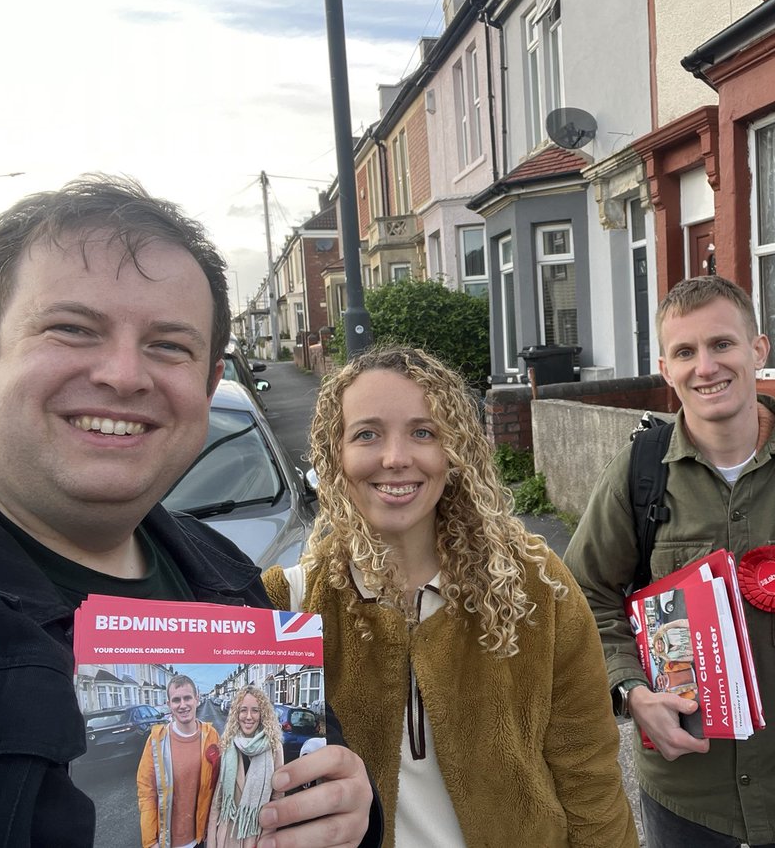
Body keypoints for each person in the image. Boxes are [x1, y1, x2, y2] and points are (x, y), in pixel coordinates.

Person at [0, 175, 380, 847]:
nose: (124, 375)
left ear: (211, 384)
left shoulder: (226, 572)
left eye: (168, 345)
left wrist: (350, 814)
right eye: (72, 329)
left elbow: (314, 786)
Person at [566, 275, 775, 848]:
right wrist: (630, 690)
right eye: (685, 352)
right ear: (666, 367)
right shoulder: (638, 473)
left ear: (758, 349)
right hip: (686, 797)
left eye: (721, 344)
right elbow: (582, 597)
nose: (706, 367)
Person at [262, 345, 638, 848]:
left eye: (424, 432)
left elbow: (586, 766)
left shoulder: (534, 585)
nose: (396, 459)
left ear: (454, 451)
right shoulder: (287, 604)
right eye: (367, 434)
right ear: (336, 454)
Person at [138, 675, 222, 848]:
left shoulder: (211, 735)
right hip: (168, 842)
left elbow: (218, 785)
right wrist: (150, 842)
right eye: (176, 700)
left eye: (187, 698)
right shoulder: (156, 741)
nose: (183, 705)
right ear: (169, 704)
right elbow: (146, 792)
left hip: (202, 838)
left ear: (197, 699)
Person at [207, 685, 285, 848]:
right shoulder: (228, 743)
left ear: (262, 714)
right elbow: (218, 799)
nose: (248, 716)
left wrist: (267, 839)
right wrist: (212, 842)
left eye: (255, 710)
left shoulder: (274, 747)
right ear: (237, 713)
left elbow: (277, 798)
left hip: (254, 835)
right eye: (243, 710)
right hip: (227, 834)